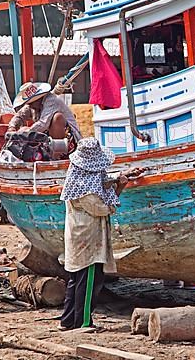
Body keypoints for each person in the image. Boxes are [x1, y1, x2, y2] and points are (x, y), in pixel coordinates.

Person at [58, 137, 144, 330]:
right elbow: (104, 208)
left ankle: (67, 321)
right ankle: (83, 322)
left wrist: (121, 175)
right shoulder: (85, 192)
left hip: (80, 238)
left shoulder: (77, 178)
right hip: (88, 241)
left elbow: (101, 181)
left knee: (76, 281)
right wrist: (120, 187)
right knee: (89, 281)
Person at [8, 82, 82, 145]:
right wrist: (12, 127)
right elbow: (19, 116)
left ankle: (58, 154)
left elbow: (43, 124)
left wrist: (25, 132)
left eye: (31, 103)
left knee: (57, 117)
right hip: (48, 139)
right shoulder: (32, 106)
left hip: (69, 138)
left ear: (38, 99)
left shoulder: (52, 101)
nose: (29, 105)